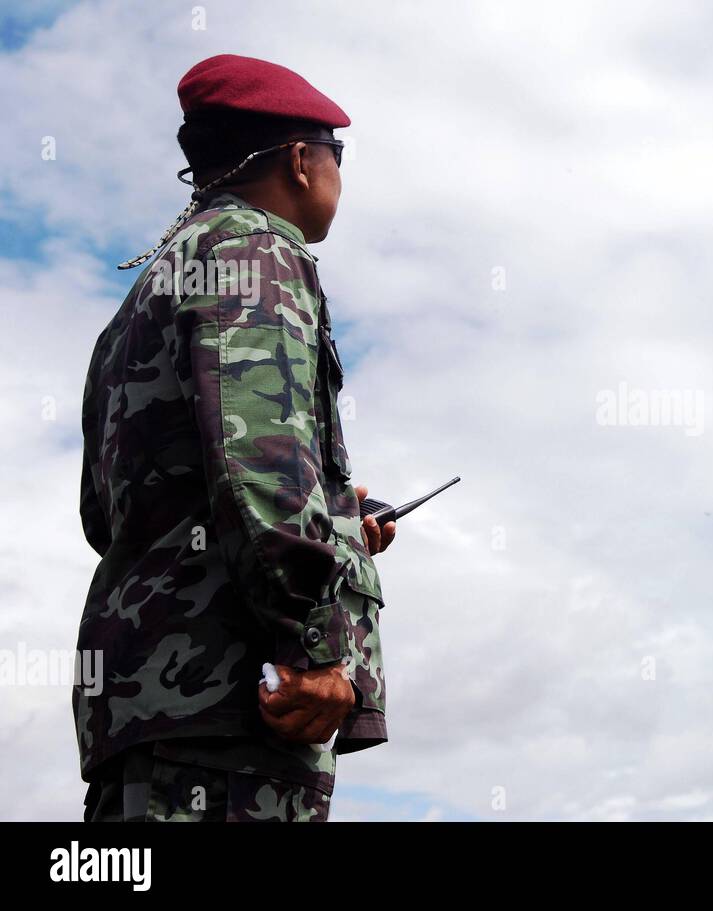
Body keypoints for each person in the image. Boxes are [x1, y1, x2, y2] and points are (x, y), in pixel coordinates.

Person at [76, 54, 394, 821]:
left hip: (149, 715)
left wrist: (336, 507)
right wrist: (312, 646)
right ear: (299, 158)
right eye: (335, 154)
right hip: (237, 712)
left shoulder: (144, 297)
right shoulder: (255, 252)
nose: (337, 175)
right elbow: (261, 463)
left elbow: (108, 511)